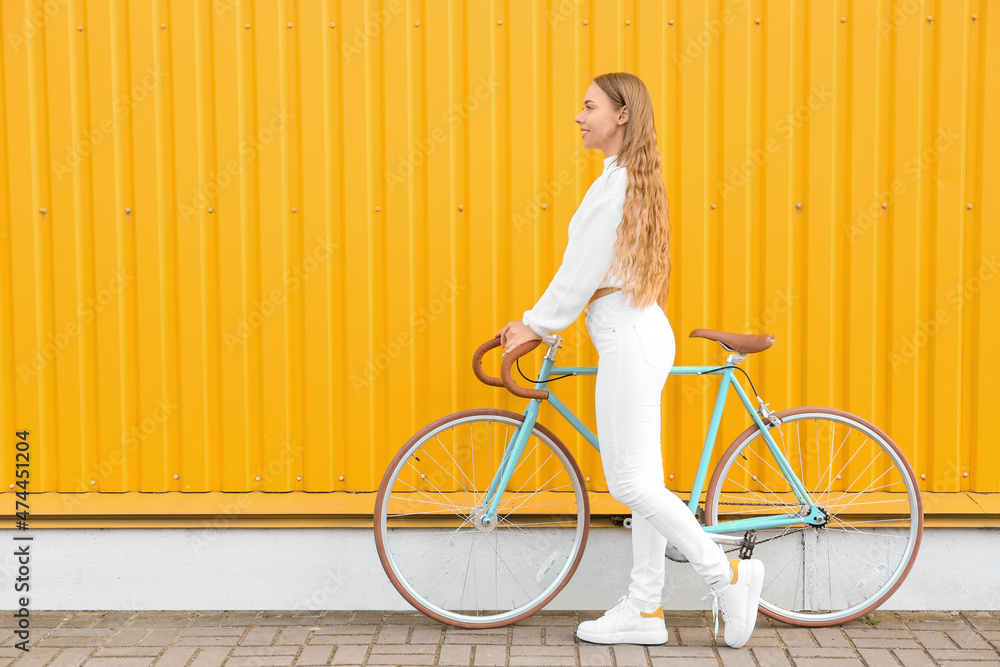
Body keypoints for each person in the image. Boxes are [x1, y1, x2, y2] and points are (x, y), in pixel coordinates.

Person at [495, 72, 764, 649]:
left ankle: (728, 574)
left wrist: (534, 325)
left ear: (621, 115)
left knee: (630, 482)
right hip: (632, 331)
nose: (578, 116)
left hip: (629, 335)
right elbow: (594, 270)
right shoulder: (619, 179)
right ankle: (644, 610)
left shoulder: (616, 185)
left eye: (588, 106)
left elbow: (583, 270)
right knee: (644, 481)